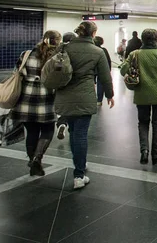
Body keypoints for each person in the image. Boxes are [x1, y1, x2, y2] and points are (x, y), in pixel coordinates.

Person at [54, 21, 115, 189]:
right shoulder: (97, 51)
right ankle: (79, 175)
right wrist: (109, 95)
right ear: (93, 34)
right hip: (84, 96)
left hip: (64, 95)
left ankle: (79, 162)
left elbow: (55, 69)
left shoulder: (63, 48)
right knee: (80, 134)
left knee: (74, 132)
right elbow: (105, 76)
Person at [121, 29, 157, 165]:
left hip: (141, 95)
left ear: (142, 40)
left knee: (143, 123)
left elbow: (122, 70)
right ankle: (156, 154)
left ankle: (144, 151)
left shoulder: (134, 54)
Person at [12, 30, 61, 176]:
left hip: (26, 100)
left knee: (32, 132)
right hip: (47, 99)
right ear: (57, 41)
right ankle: (37, 158)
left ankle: (32, 160)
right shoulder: (57, 57)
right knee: (47, 130)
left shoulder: (25, 54)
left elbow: (16, 72)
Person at [56, 32, 76, 140]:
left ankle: (62, 123)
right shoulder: (76, 51)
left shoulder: (58, 50)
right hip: (74, 83)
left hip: (60, 83)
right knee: (73, 107)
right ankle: (71, 129)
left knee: (62, 106)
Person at [93, 36, 112, 107]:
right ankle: (99, 100)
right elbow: (108, 61)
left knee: (90, 84)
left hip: (92, 69)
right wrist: (108, 70)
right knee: (100, 85)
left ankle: (91, 99)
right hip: (101, 70)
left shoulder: (92, 49)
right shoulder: (104, 50)